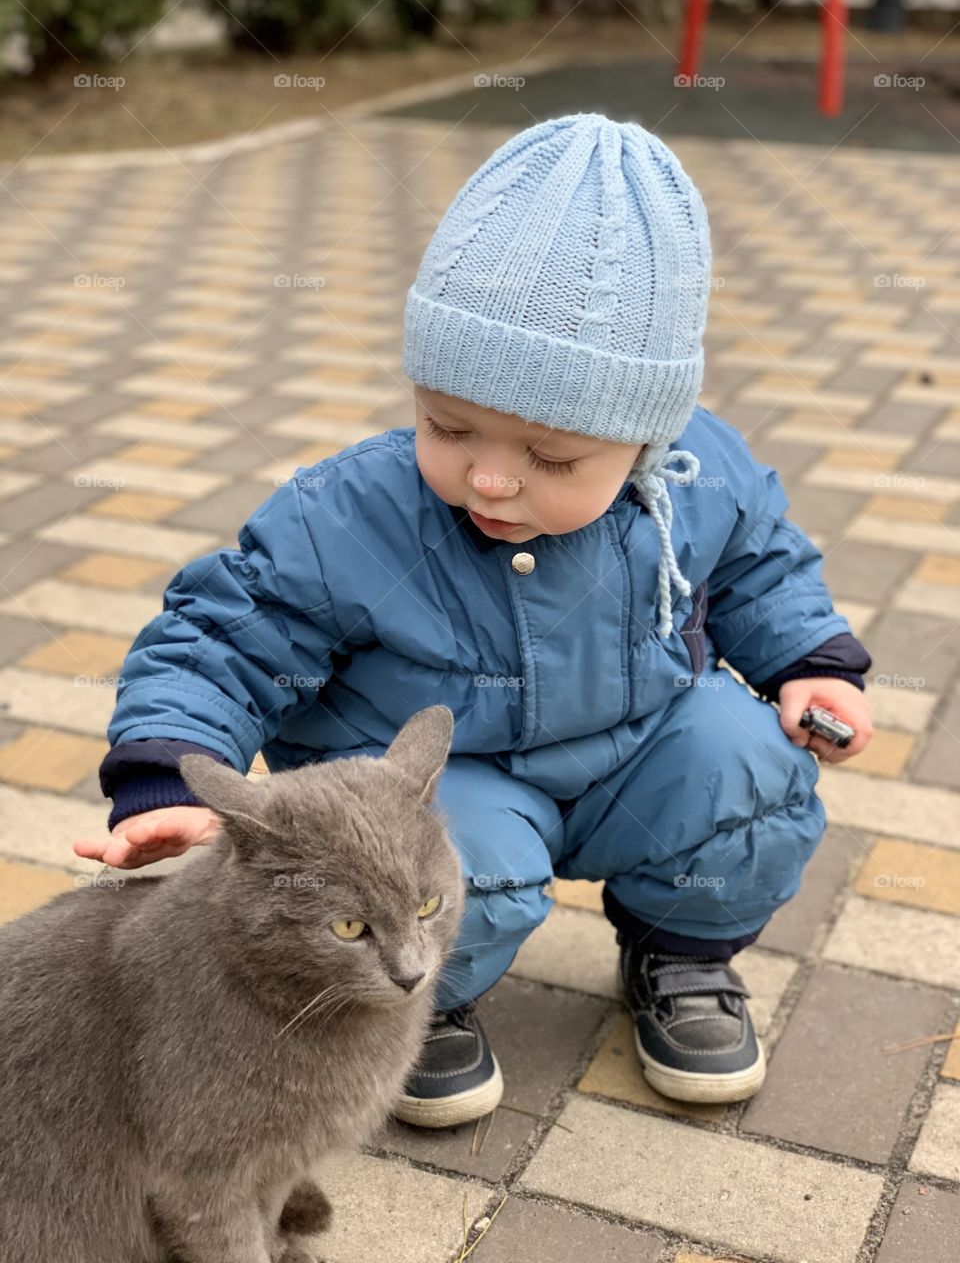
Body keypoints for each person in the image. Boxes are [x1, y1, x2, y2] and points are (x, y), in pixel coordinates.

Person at [77, 113, 873, 1125]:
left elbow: (766, 567)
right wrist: (168, 769)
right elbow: (221, 636)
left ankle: (682, 951)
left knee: (747, 765)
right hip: (451, 775)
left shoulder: (698, 472)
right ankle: (413, 1000)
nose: (491, 476)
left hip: (636, 752)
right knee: (438, 861)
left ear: (644, 438)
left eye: (552, 457)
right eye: (449, 428)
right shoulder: (349, 513)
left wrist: (812, 661)